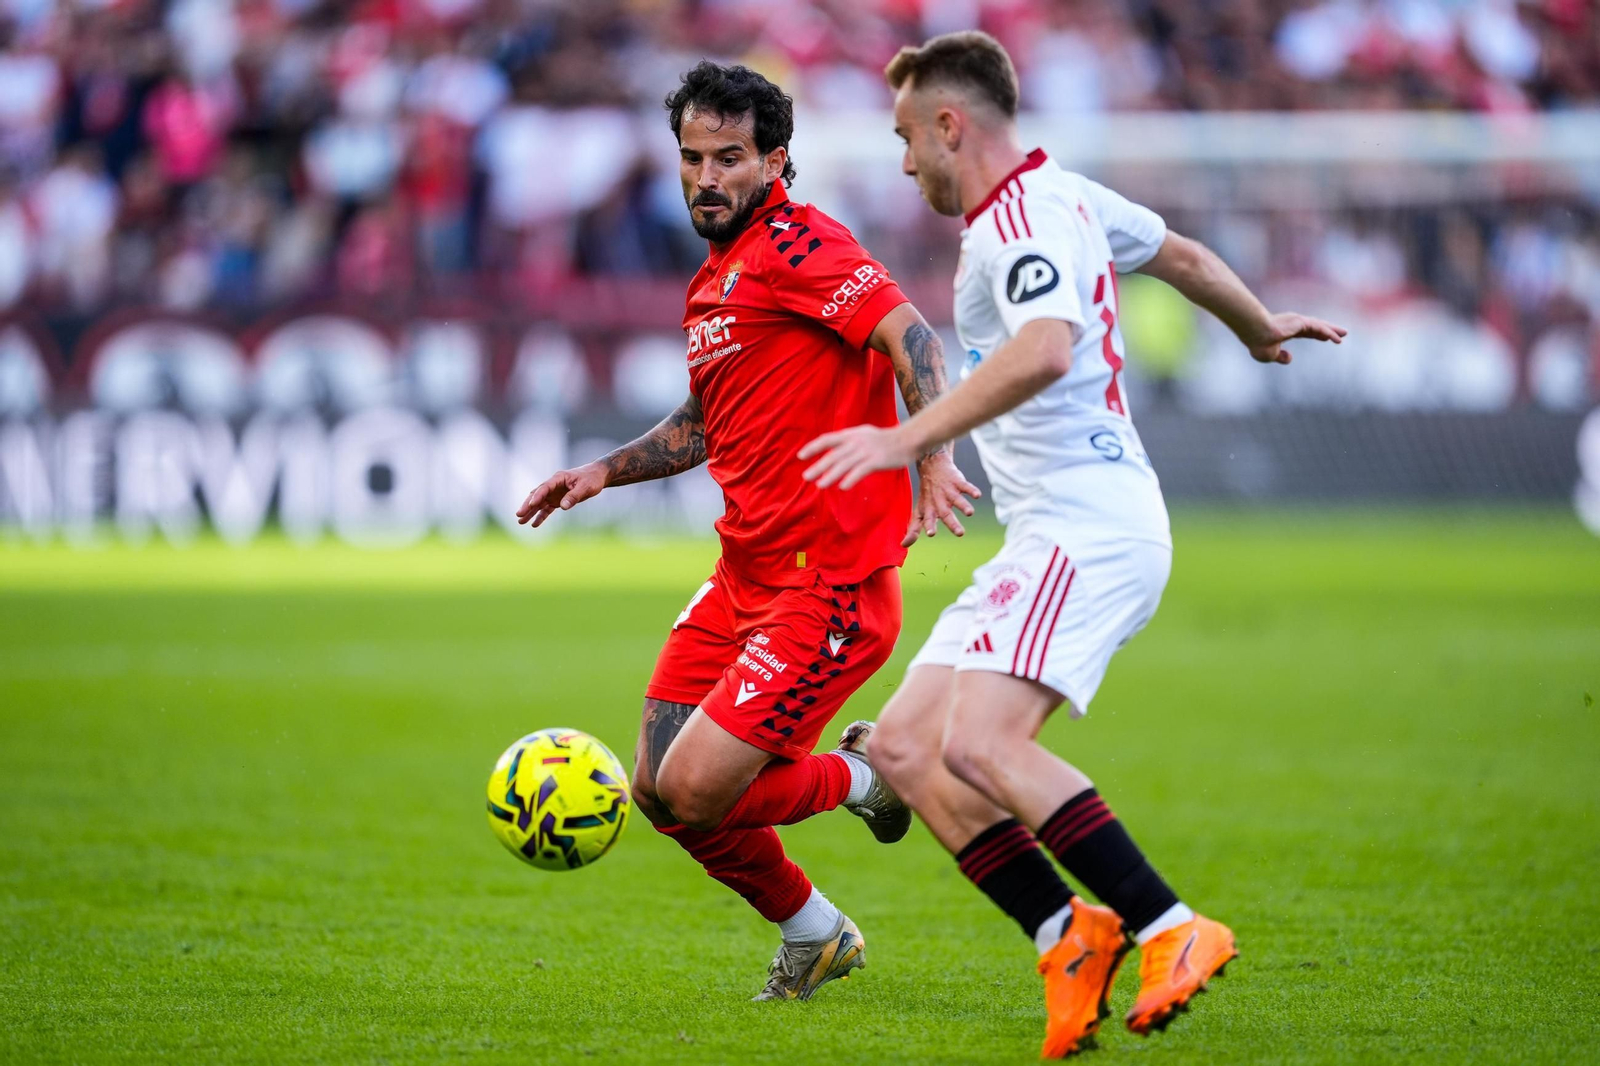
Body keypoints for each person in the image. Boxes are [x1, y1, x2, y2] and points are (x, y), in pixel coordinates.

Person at [799, 31, 1346, 1057]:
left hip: (1086, 522)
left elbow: (1046, 350)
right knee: (913, 745)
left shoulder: (1018, 222)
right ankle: (1063, 934)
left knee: (986, 745)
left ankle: (1174, 928)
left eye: (907, 137)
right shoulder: (1068, 196)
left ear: (949, 125)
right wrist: (1254, 324)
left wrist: (906, 437)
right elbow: (1176, 254)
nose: (903, 160)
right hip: (1052, 528)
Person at [516, 61, 979, 1001]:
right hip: (743, 579)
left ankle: (865, 774)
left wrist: (932, 453)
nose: (707, 177)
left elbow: (912, 335)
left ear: (775, 160)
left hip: (830, 588)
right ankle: (815, 933)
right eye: (692, 158)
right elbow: (701, 425)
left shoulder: (802, 245)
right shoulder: (713, 284)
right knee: (654, 793)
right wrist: (602, 469)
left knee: (695, 791)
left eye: (730, 157)